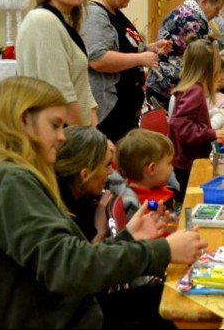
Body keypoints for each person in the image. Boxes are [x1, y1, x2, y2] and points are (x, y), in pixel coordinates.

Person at [0, 76, 207, 328]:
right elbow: (68, 269)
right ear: (24, 120)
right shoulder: (9, 182)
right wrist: (163, 251)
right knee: (192, 305)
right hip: (64, 320)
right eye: (55, 125)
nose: (62, 137)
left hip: (69, 311)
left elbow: (64, 260)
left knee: (178, 297)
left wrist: (128, 239)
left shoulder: (2, 177)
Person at [54, 125, 175, 329]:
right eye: (106, 166)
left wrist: (129, 235)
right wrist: (102, 232)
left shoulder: (84, 197)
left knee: (169, 293)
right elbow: (85, 274)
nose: (111, 173)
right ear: (85, 174)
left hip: (93, 301)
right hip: (83, 313)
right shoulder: (63, 212)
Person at [83, 0, 171, 143]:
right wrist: (140, 58)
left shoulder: (114, 11)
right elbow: (97, 59)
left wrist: (149, 48)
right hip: (110, 112)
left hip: (125, 111)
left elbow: (122, 48)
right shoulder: (95, 15)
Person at [16, 0, 98, 126]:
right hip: (59, 135)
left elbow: (81, 84)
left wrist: (93, 126)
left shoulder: (64, 21)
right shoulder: (43, 21)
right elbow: (60, 93)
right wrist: (83, 140)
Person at [148, 0, 224, 107]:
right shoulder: (195, 21)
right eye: (217, 9)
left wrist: (221, 55)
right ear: (205, 1)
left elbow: (193, 55)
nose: (217, 15)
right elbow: (201, 62)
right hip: (171, 90)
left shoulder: (183, 11)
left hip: (160, 86)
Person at [168, 39, 224, 196]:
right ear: (210, 69)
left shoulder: (190, 88)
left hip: (185, 161)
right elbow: (182, 126)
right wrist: (211, 133)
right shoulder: (195, 91)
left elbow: (189, 120)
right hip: (188, 164)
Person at [111, 128, 178, 219]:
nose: (172, 168)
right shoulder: (145, 210)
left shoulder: (154, 185)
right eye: (169, 163)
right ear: (152, 169)